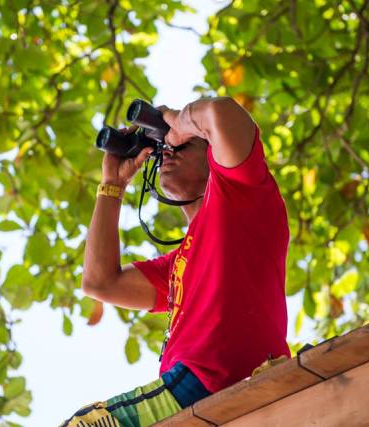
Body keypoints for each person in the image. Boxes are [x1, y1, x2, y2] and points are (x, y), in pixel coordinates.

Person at [59, 96, 291, 427]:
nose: (166, 151)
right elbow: (99, 282)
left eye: (181, 146)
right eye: (162, 149)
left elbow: (220, 113)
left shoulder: (243, 194)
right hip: (201, 400)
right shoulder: (178, 264)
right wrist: (112, 186)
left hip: (209, 381)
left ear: (214, 154)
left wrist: (177, 121)